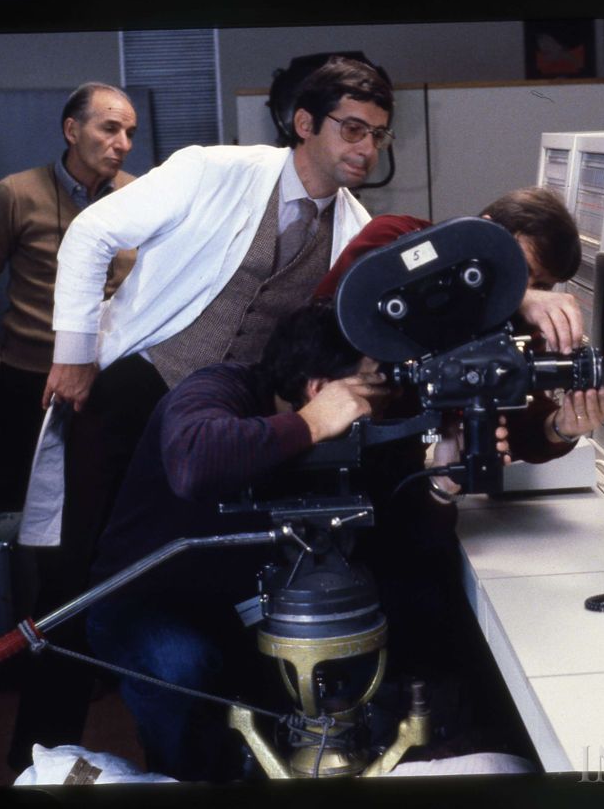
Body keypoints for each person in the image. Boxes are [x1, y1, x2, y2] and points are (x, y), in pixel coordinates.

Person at [9, 56, 394, 768]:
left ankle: (191, 737)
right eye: (351, 130)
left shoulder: (354, 225)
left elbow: (409, 272)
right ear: (303, 125)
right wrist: (73, 352)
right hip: (138, 390)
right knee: (77, 577)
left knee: (201, 576)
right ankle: (40, 754)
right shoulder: (214, 170)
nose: (366, 150)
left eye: (376, 135)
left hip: (230, 422)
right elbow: (91, 233)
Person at [84, 301, 423, 781]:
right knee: (184, 668)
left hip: (255, 604)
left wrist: (441, 482)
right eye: (370, 386)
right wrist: (310, 424)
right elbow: (194, 460)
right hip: (148, 601)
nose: (381, 400)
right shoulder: (216, 389)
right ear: (320, 390)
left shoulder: (352, 426)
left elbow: (402, 521)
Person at [315, 185, 604, 460]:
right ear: (485, 231)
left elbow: (519, 425)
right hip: (322, 437)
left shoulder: (512, 326)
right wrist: (516, 294)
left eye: (542, 286)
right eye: (522, 270)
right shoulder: (395, 234)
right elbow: (339, 313)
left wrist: (560, 426)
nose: (531, 291)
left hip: (396, 465)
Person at [0, 82, 140, 511]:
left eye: (130, 133)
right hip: (30, 380)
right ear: (72, 130)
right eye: (110, 128)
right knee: (31, 510)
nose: (122, 145)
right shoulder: (17, 194)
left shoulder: (138, 194)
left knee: (106, 506)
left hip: (112, 379)